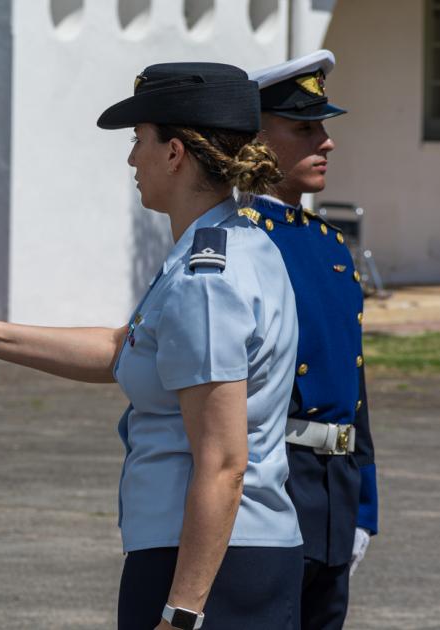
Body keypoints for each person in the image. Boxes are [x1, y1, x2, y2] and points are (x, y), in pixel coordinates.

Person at [0, 63, 304, 629]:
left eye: (138, 140)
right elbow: (127, 348)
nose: (130, 159)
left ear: (175, 154)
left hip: (207, 567)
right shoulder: (234, 244)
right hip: (224, 554)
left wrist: (183, 612)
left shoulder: (206, 281)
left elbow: (222, 463)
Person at [248, 50, 378, 630]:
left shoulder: (330, 246)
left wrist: (363, 507)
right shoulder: (242, 241)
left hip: (335, 492)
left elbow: (355, 389)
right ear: (254, 138)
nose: (325, 142)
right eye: (304, 128)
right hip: (272, 487)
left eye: (322, 127)